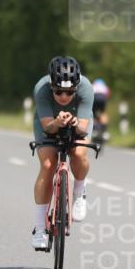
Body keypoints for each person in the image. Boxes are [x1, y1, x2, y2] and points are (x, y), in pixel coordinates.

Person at [31, 56, 94, 250]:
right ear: (51, 86)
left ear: (76, 87)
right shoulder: (41, 89)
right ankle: (40, 229)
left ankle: (79, 191)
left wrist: (75, 123)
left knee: (79, 154)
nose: (64, 97)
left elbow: (83, 130)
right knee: (48, 164)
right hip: (49, 123)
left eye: (69, 92)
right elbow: (47, 128)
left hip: (78, 121)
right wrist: (57, 123)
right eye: (58, 91)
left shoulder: (86, 87)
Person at [92, 78, 111, 143]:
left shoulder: (93, 85)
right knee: (103, 113)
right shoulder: (104, 87)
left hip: (95, 98)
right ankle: (105, 131)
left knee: (93, 114)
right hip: (103, 99)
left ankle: (94, 129)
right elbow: (108, 95)